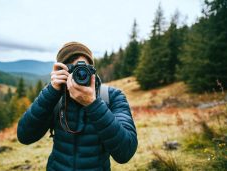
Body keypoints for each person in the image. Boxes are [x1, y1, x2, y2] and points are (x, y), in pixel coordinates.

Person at [17, 42, 138, 171]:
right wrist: (51, 92)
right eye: (72, 69)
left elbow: (126, 152)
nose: (79, 74)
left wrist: (93, 104)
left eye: (84, 68)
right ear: (61, 72)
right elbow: (24, 136)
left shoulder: (112, 97)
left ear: (92, 70)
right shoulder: (55, 98)